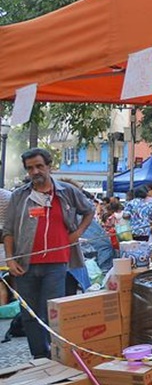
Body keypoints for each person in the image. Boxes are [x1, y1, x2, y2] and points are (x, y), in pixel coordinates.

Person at [3, 148, 94, 359]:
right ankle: (40, 358)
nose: (35, 171)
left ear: (49, 166)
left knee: (52, 314)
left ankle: (57, 356)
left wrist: (78, 232)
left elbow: (88, 210)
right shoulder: (19, 196)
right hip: (24, 264)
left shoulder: (67, 192)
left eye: (39, 166)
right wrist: (9, 258)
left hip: (57, 263)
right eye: (30, 168)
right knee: (30, 315)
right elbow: (8, 231)